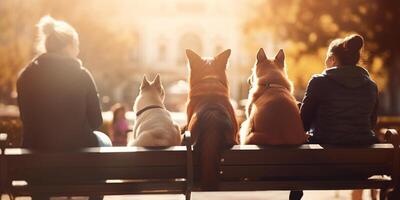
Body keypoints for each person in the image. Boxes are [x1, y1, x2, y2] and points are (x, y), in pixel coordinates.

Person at [17, 15, 111, 200]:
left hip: (36, 167)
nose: (78, 50)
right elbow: (96, 121)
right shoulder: (82, 75)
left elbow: (27, 119)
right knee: (104, 140)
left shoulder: (26, 76)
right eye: (76, 45)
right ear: (68, 46)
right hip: (79, 165)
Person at [295, 34, 379, 200]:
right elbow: (371, 123)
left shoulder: (318, 82)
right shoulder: (371, 86)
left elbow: (302, 125)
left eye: (326, 58)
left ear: (332, 60)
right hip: (361, 166)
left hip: (323, 164)